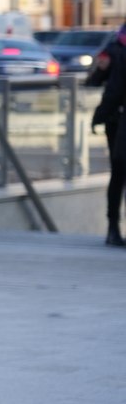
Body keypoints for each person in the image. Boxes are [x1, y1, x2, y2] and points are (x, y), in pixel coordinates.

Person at [89, 21, 126, 247]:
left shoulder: (116, 49)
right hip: (117, 121)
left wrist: (98, 116)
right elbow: (103, 84)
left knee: (118, 174)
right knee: (119, 173)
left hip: (118, 120)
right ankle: (113, 227)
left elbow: (112, 89)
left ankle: (113, 228)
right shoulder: (114, 50)